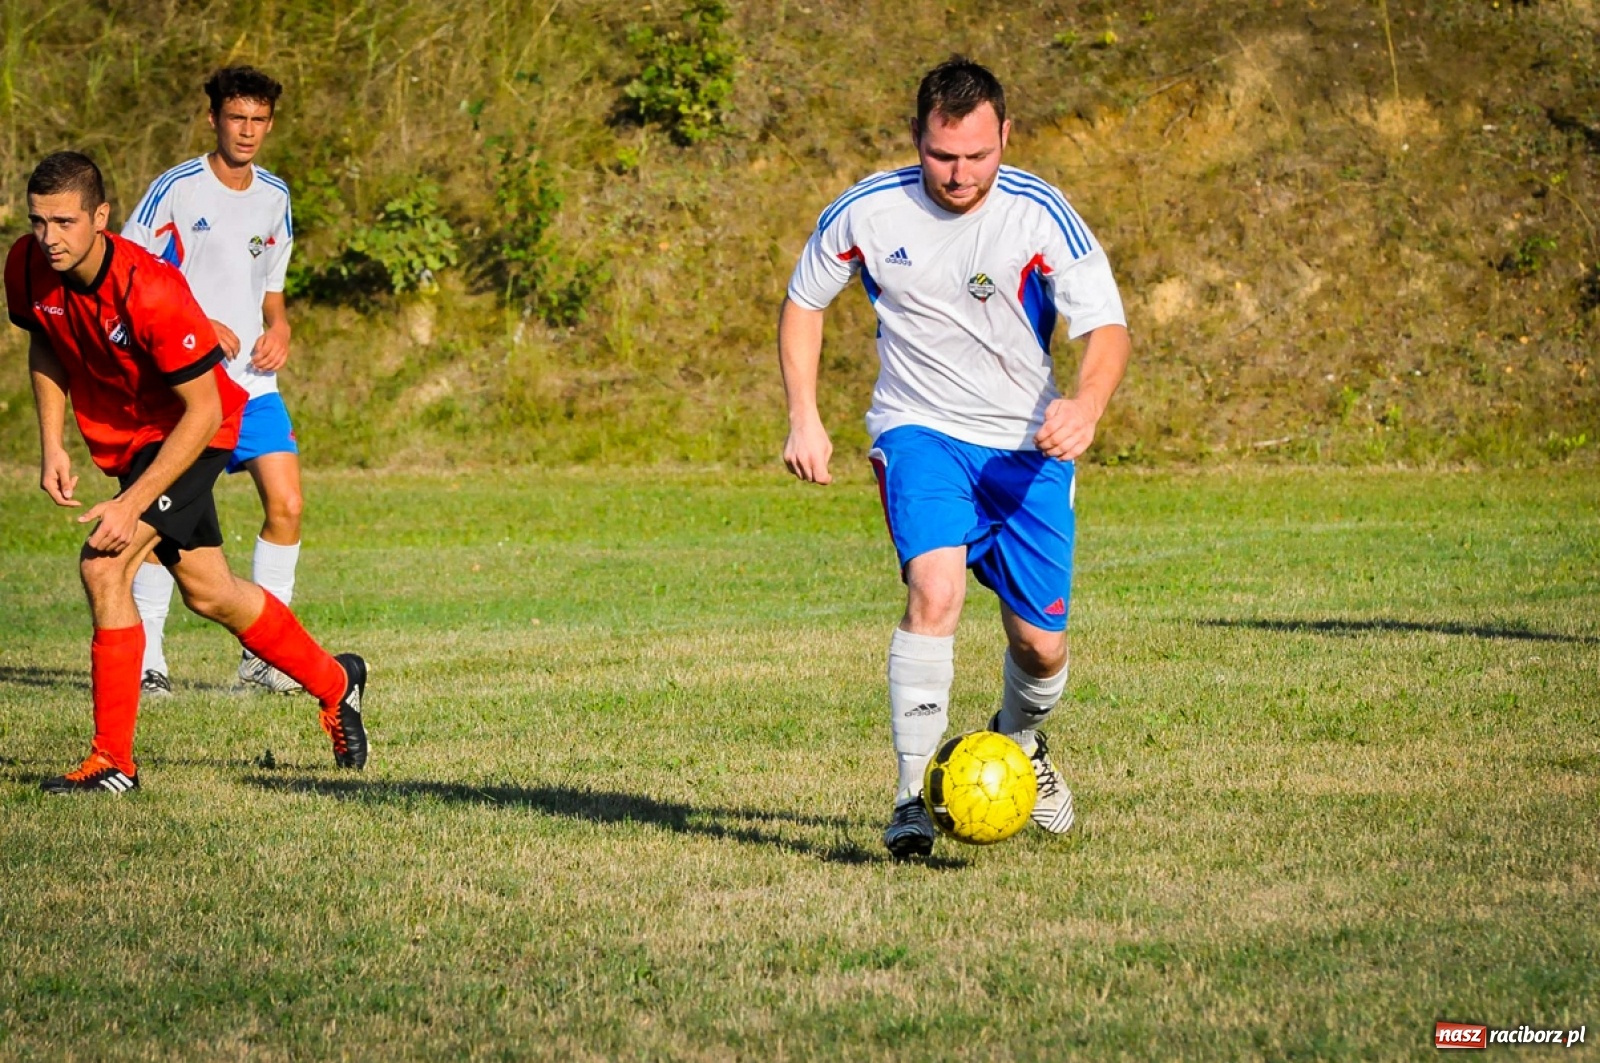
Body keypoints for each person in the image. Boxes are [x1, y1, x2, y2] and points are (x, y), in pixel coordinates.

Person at [778, 57, 1131, 859]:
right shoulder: (868, 211)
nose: (961, 173)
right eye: (943, 155)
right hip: (919, 429)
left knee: (1041, 646)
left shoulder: (1040, 215)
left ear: (1006, 135)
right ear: (917, 138)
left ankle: (1021, 743)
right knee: (932, 587)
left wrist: (1084, 405)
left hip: (1026, 448)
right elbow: (804, 301)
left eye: (978, 154)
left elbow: (1106, 328)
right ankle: (911, 795)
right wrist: (805, 415)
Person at [5, 151, 368, 793]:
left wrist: (132, 503)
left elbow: (203, 410)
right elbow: (44, 336)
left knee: (104, 563)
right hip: (133, 442)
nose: (49, 238)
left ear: (101, 217)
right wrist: (52, 442)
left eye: (65, 222)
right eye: (38, 221)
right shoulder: (27, 266)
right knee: (210, 592)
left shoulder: (148, 288)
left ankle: (114, 761)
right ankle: (337, 684)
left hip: (194, 433)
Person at [121, 66, 303, 696]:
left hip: (253, 385)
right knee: (160, 523)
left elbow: (271, 292)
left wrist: (278, 330)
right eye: (236, 118)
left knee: (287, 504)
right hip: (186, 386)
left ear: (269, 124)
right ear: (213, 119)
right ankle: (149, 658)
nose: (247, 131)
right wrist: (197, 325)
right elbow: (131, 275)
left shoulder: (276, 195)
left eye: (258, 120)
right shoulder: (176, 188)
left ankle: (264, 657)